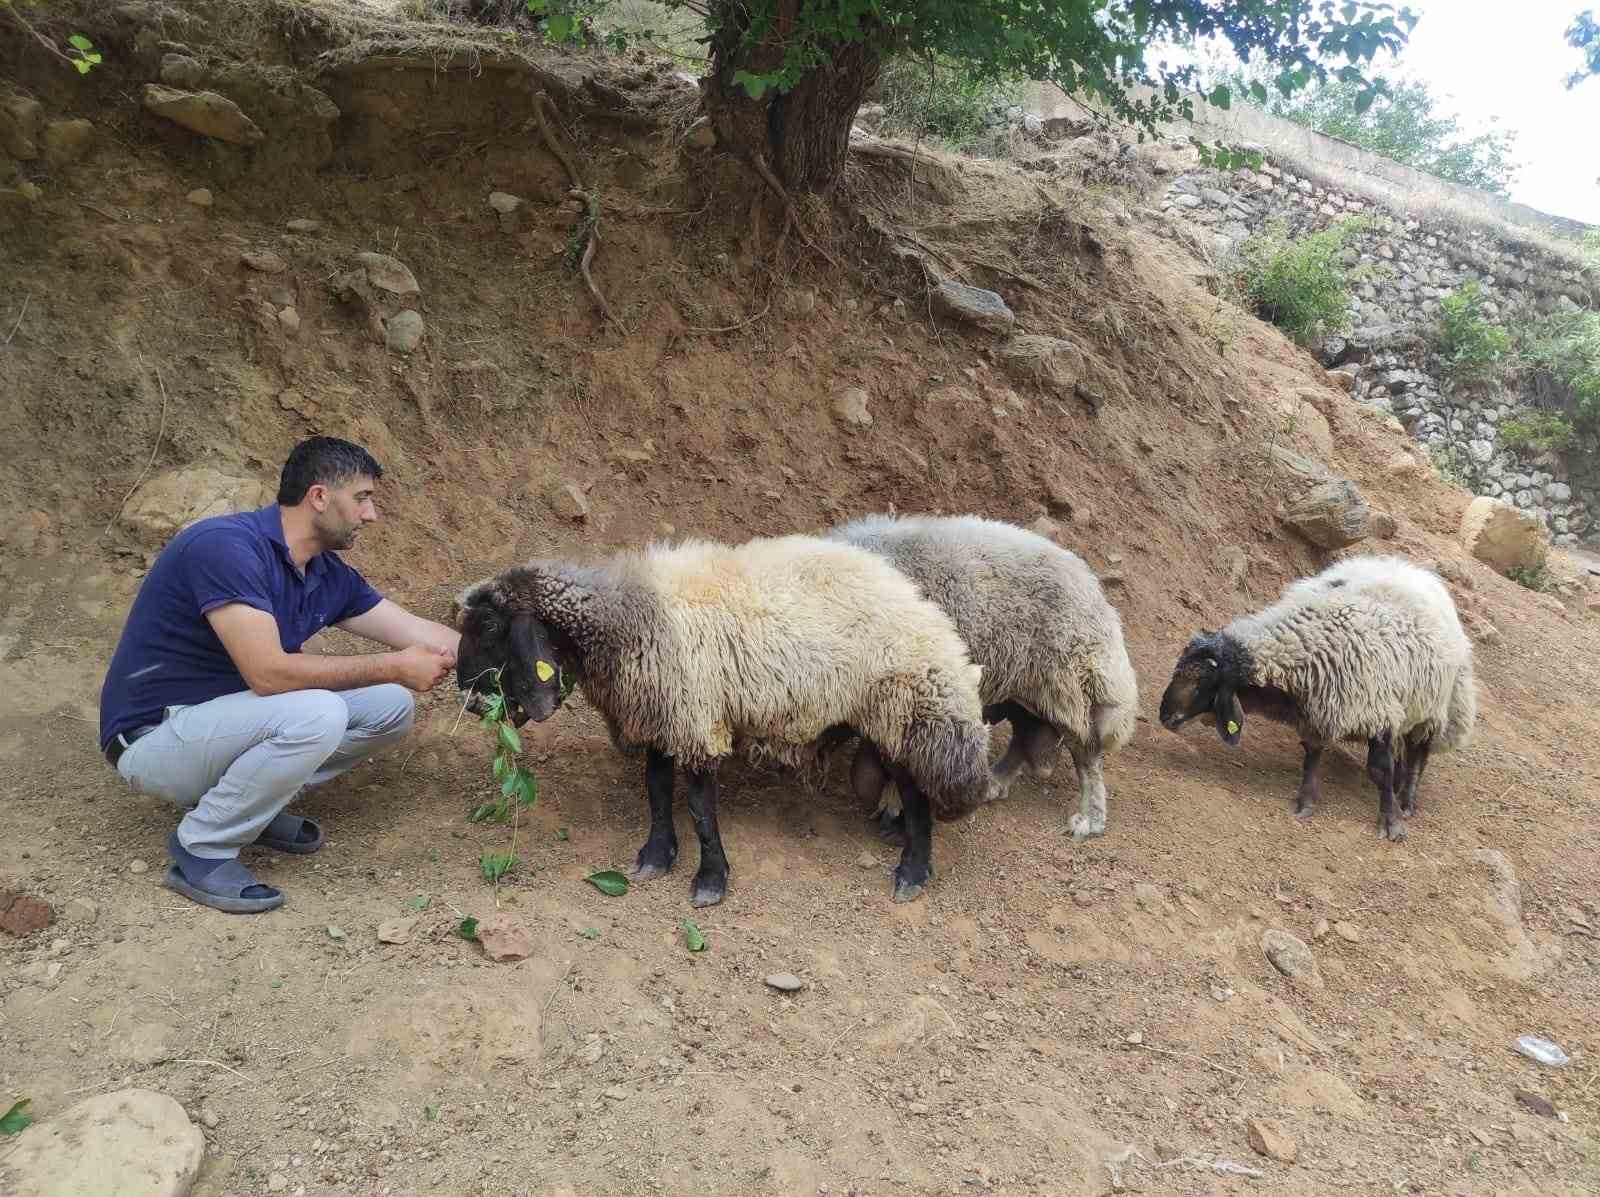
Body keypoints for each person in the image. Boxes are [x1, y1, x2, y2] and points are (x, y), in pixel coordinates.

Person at [98, 436, 458, 913]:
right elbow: (267, 674)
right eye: (362, 498)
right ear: (319, 496)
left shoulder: (324, 573)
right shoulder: (226, 547)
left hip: (218, 729)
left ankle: (249, 805)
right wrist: (393, 665)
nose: (371, 514)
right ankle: (201, 849)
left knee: (390, 705)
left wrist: (518, 657)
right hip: (154, 739)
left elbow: (419, 632)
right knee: (318, 712)